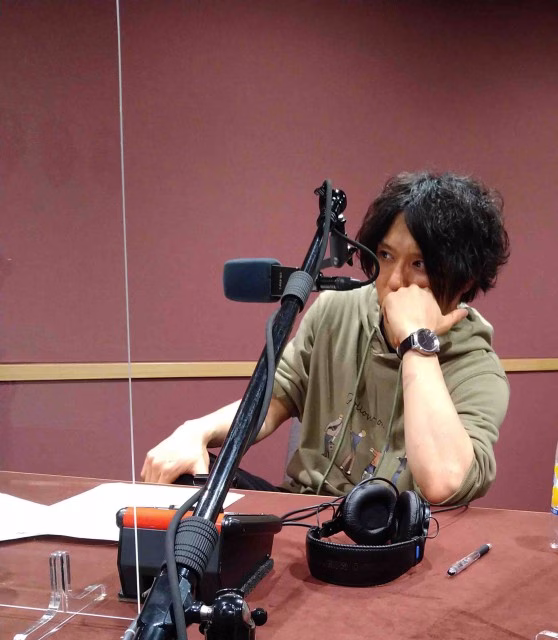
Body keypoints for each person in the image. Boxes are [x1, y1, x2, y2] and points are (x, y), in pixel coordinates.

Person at [141, 171, 510, 505]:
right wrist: (197, 431)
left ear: (464, 279)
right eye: (385, 255)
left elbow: (444, 482)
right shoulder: (338, 309)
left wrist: (416, 342)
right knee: (188, 478)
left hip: (389, 536)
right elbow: (275, 399)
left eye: (420, 264)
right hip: (302, 511)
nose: (394, 281)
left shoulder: (478, 370)